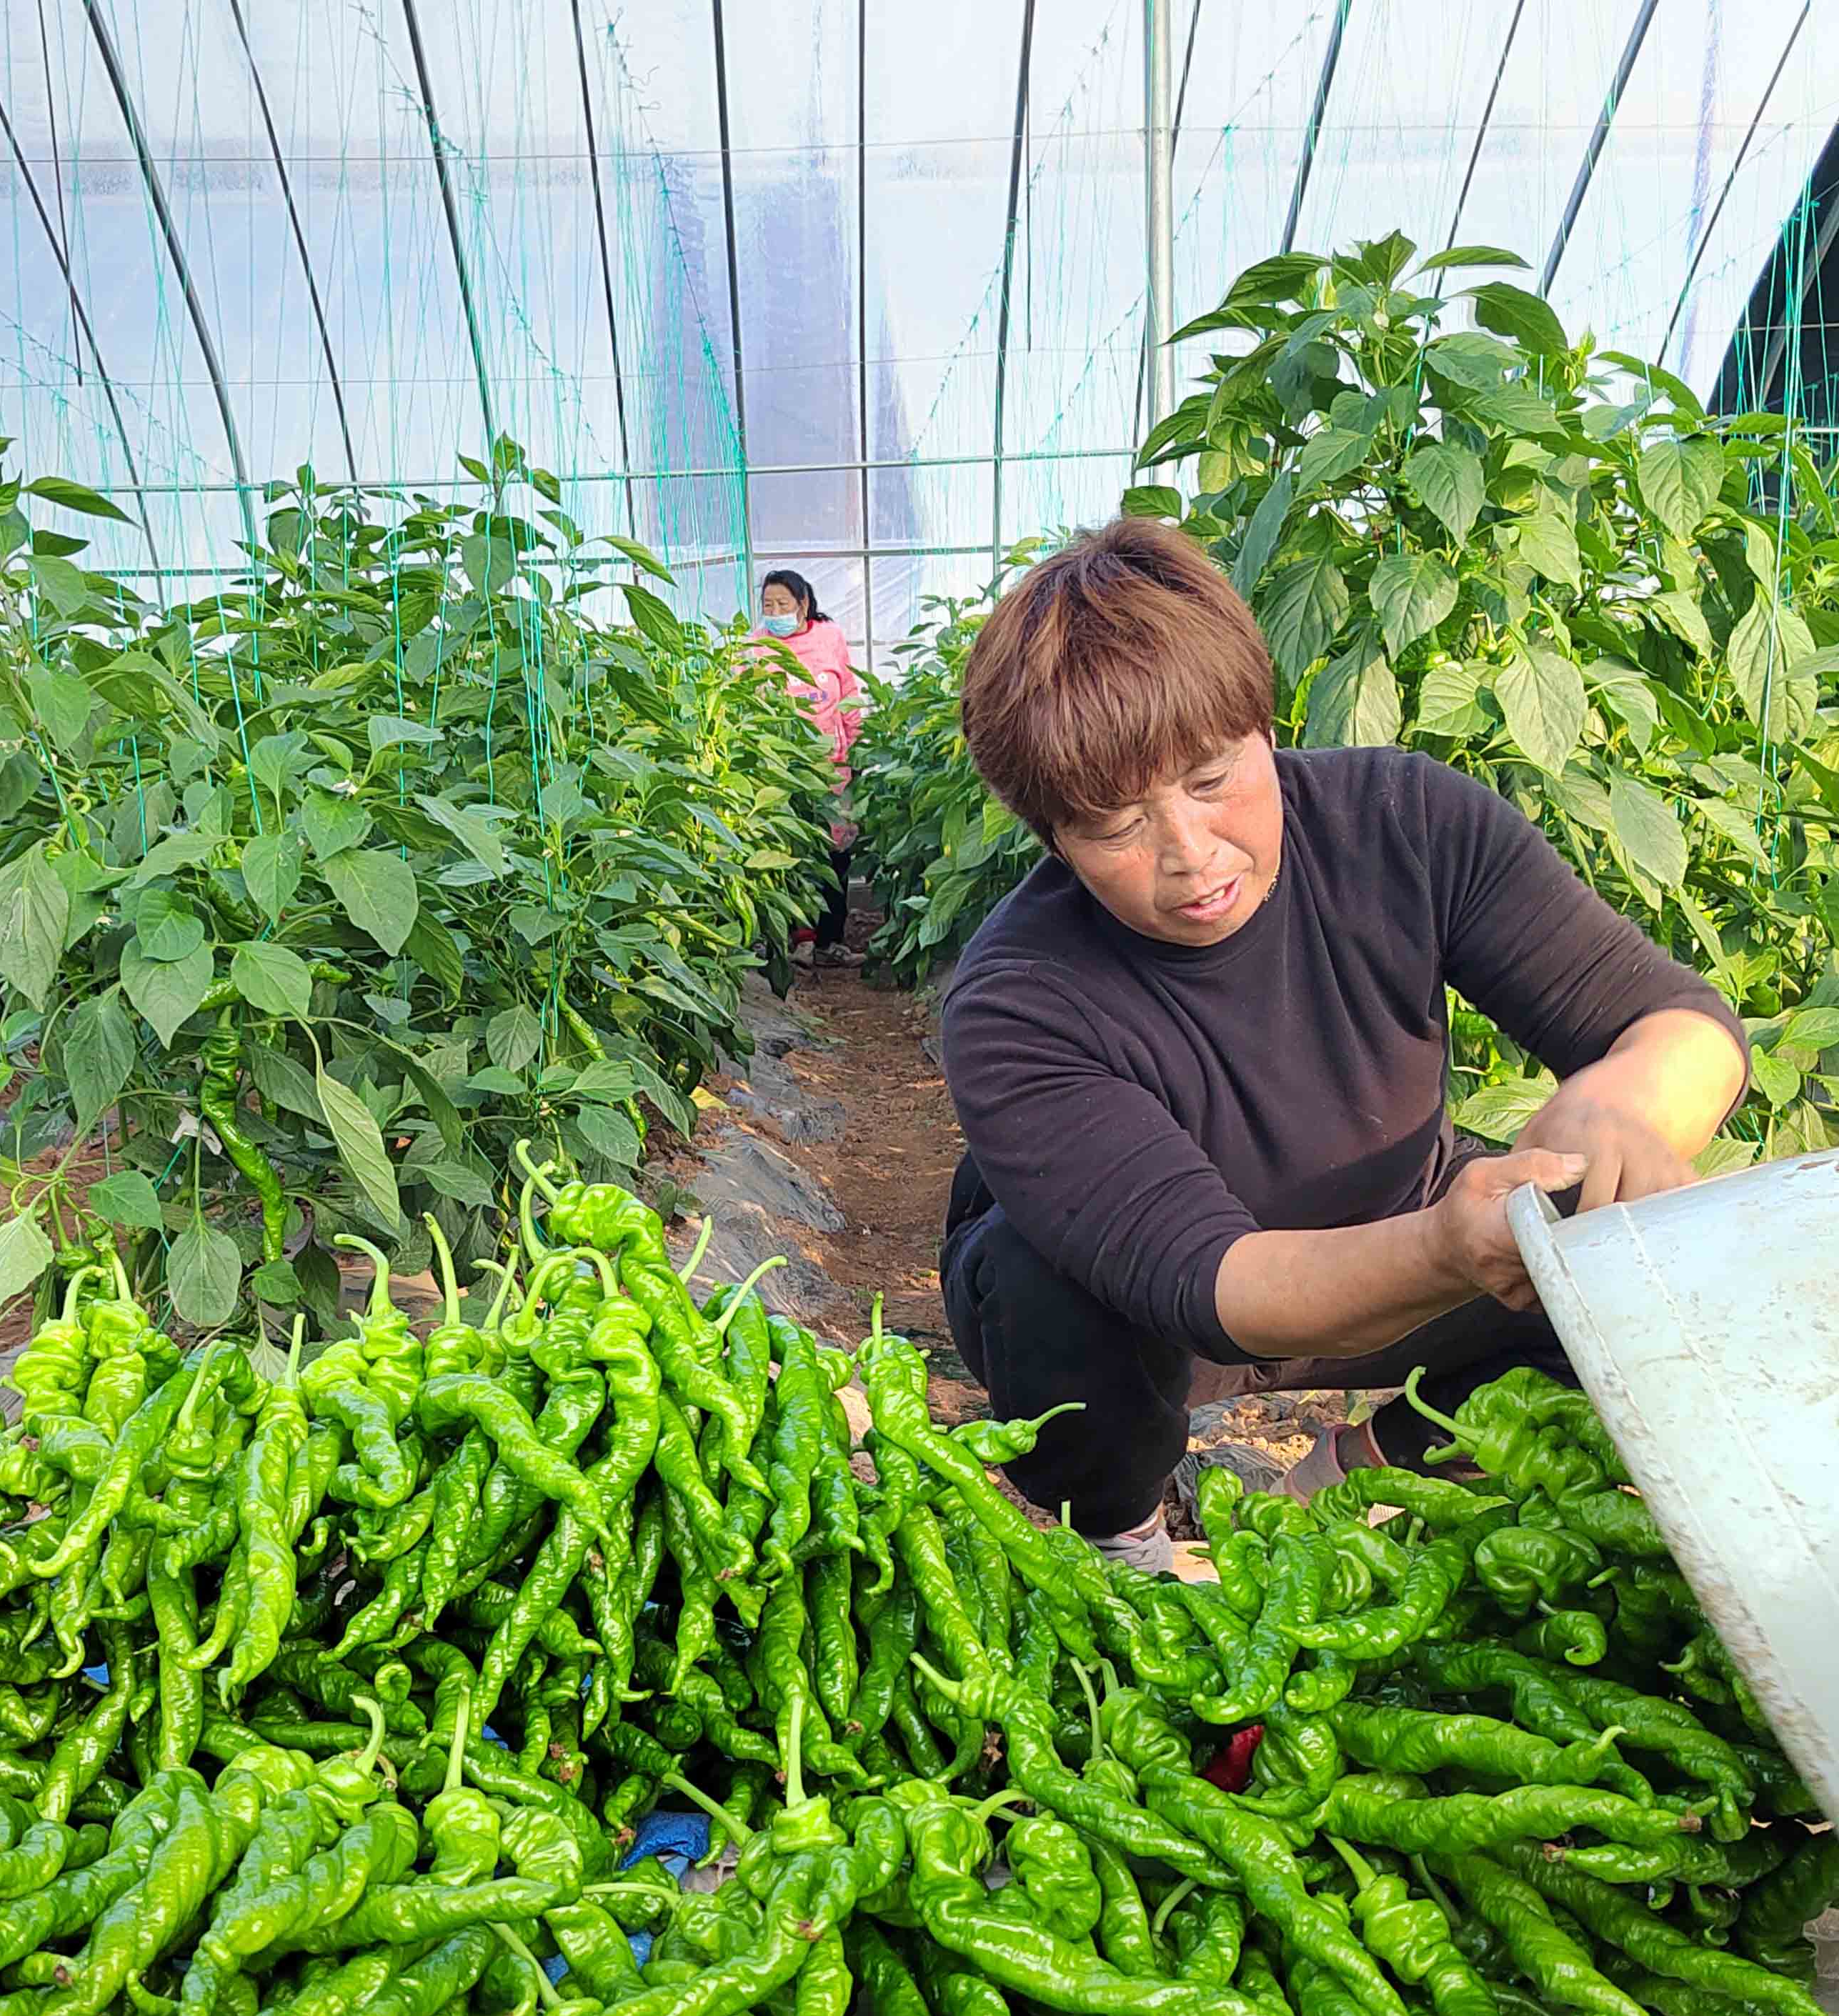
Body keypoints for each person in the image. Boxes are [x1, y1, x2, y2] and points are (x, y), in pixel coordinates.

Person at [936, 517, 1749, 1572]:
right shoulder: (1019, 998)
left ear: (1264, 727)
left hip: (1394, 1244)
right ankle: (1121, 1529)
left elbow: (1678, 1022)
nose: (1192, 854)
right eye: (1115, 824)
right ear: (1054, 837)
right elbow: (1207, 1282)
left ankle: (1372, 1462)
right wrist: (1446, 1250)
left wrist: (1625, 1102)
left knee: (1640, 1278)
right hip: (1164, 1319)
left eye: (1212, 777)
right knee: (1034, 1280)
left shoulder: (1402, 825)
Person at [749, 569, 863, 963]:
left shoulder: (828, 637)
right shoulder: (756, 646)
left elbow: (847, 688)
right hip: (781, 768)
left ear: (804, 605)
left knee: (835, 848)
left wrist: (857, 739)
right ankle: (799, 937)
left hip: (832, 764)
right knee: (791, 848)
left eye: (783, 604)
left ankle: (831, 939)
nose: (775, 611)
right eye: (768, 605)